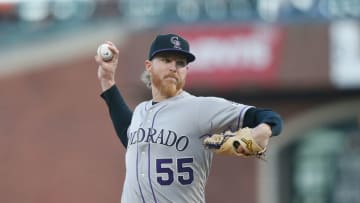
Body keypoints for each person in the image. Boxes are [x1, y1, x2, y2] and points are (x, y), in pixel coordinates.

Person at [94, 34, 283, 203]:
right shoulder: (142, 111)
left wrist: (264, 129)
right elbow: (130, 135)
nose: (173, 67)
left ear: (186, 71)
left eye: (181, 63)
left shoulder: (199, 108)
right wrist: (108, 81)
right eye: (166, 60)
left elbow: (267, 116)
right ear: (149, 66)